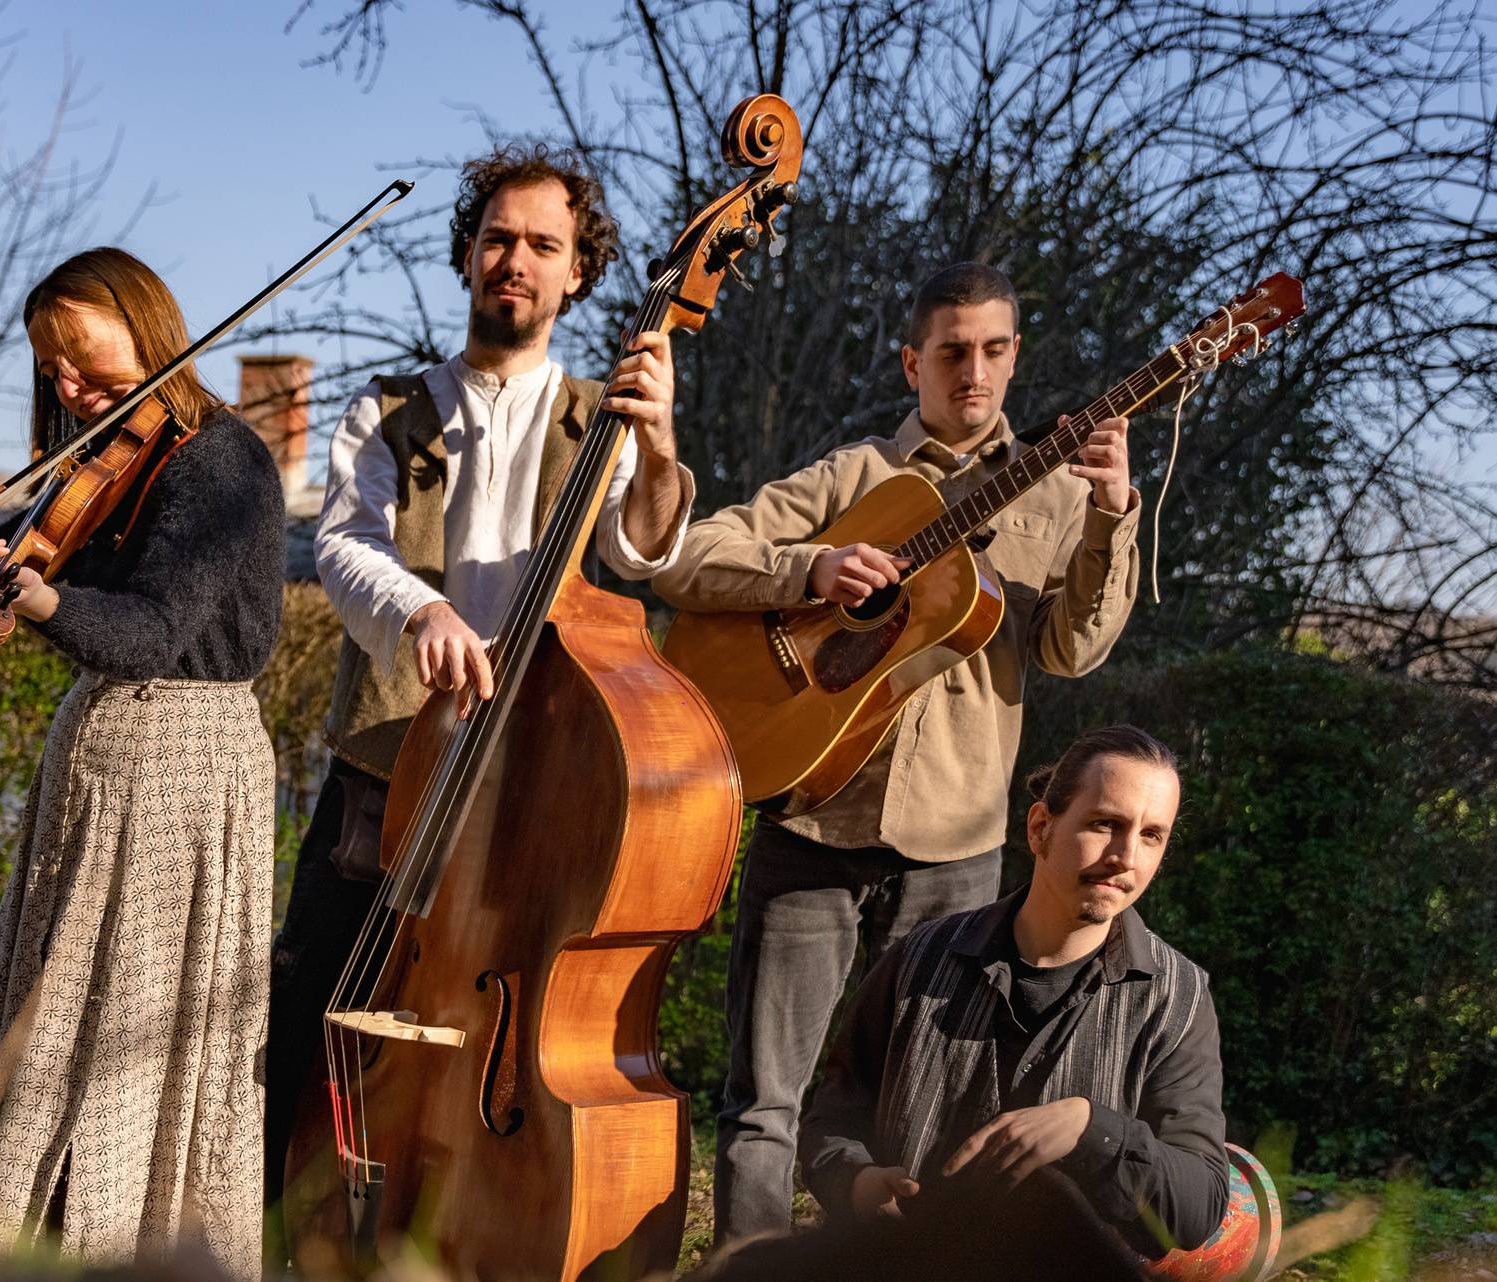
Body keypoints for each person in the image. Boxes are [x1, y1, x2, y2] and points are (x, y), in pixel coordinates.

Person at [650, 260, 1145, 1242]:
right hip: (814, 819)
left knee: (937, 1109)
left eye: (994, 350)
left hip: (955, 848)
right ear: (912, 360)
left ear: (1014, 358)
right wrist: (816, 567)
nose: (973, 371)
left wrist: (1113, 514)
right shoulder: (852, 479)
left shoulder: (1054, 497)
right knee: (763, 1102)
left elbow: (1073, 650)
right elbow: (689, 558)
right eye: (952, 351)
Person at [263, 144, 696, 1225]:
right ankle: (291, 1231)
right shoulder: (388, 409)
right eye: (499, 238)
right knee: (311, 1015)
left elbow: (646, 555)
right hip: (388, 770)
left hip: (537, 788)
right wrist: (423, 610)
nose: (517, 259)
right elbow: (344, 544)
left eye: (544, 245)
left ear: (578, 275)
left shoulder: (605, 416)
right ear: (468, 255)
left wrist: (659, 439)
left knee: (499, 1029)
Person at [0, 247, 287, 1281]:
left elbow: (151, 629)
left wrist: (33, 596)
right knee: (50, 1012)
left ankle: (144, 1243)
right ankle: (26, 1231)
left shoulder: (223, 464)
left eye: (86, 358)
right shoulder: (98, 460)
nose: (73, 388)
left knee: (145, 1029)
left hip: (186, 770)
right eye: (54, 369)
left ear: (149, 325)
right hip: (96, 762)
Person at [796, 725, 1228, 1270]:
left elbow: (1200, 1209)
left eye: (1151, 836)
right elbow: (833, 1116)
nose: (1125, 856)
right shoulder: (920, 957)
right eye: (1104, 824)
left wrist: (1088, 1129)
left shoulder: (1178, 999)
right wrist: (853, 1181)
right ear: (1041, 827)